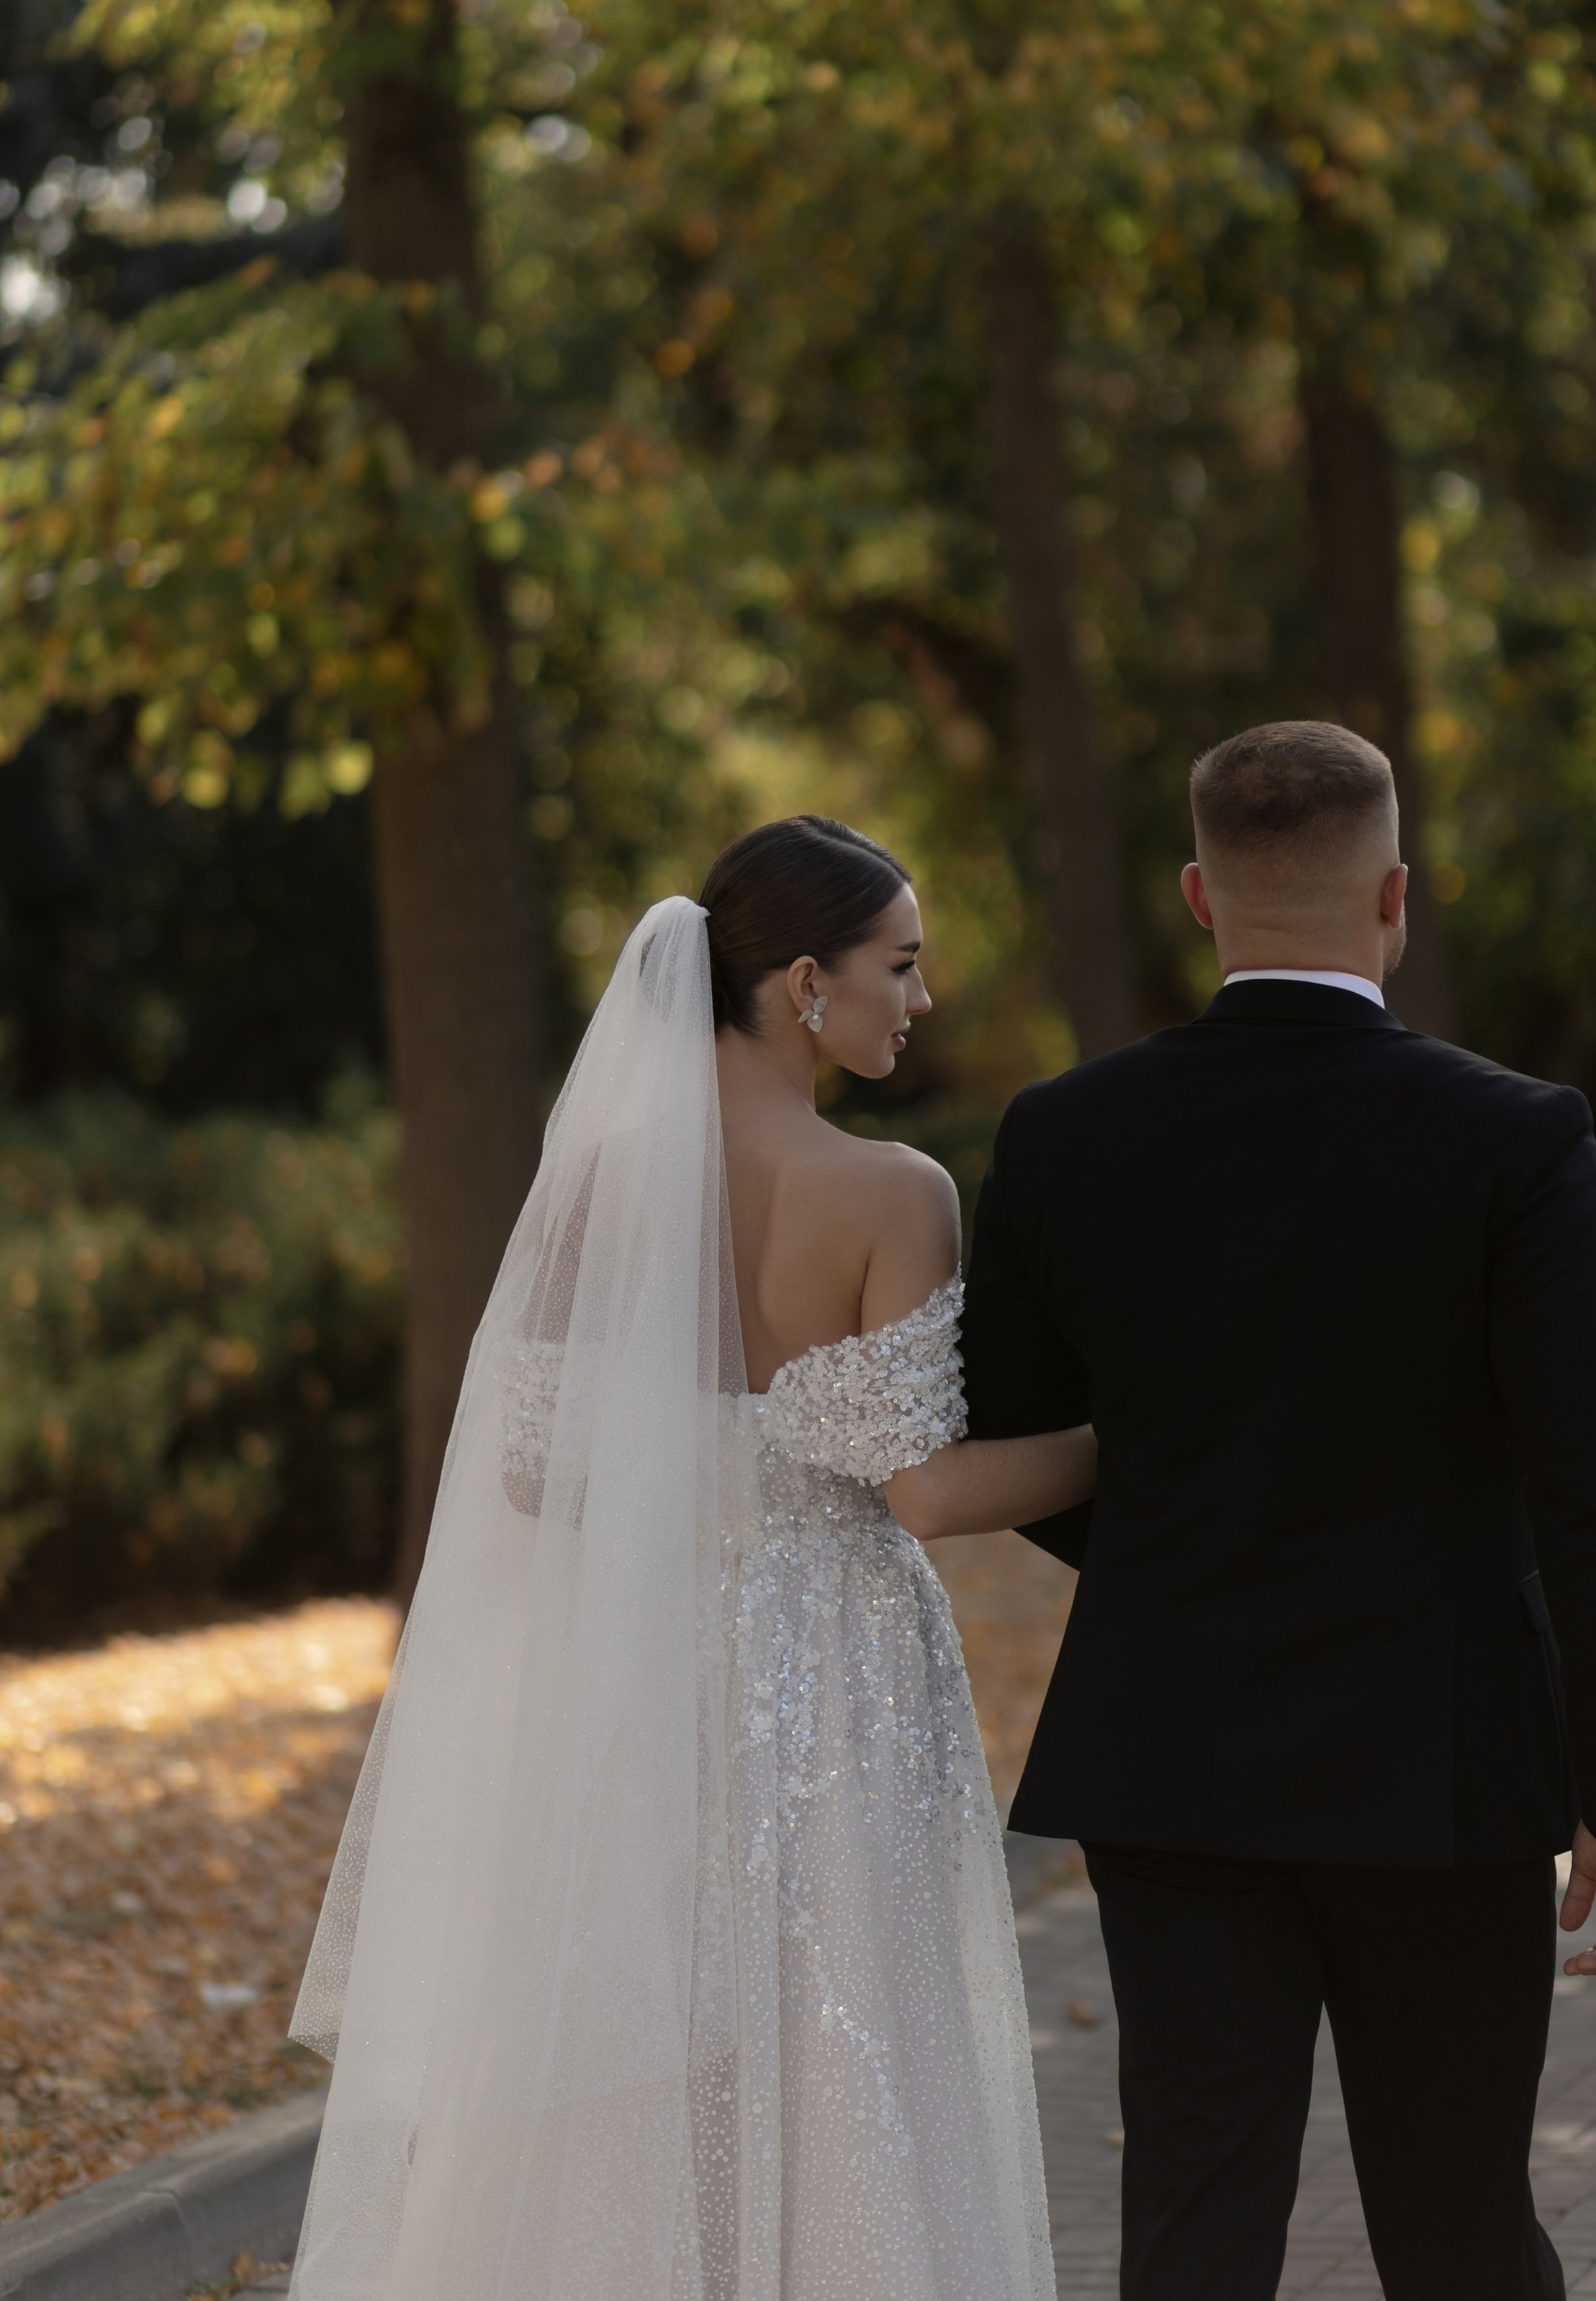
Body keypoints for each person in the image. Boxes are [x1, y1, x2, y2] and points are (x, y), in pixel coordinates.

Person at [287, 816, 1092, 2301]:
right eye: (900, 965)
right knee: (847, 2025)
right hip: (837, 1673)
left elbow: (530, 1472)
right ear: (804, 983)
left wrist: (701, 1476)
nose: (919, 999)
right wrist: (1124, 1445)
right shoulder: (894, 1191)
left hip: (646, 1652)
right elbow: (923, 1492)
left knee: (648, 2036)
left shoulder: (598, 1182)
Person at [960, 721, 1596, 2301]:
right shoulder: (1513, 1135)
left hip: (1172, 1756)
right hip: (1443, 1760)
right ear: (1394, 896)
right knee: (1458, 2227)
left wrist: (1177, 1540)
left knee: (1195, 2232)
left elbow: (1009, 1431)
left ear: (1198, 897)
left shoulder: (1064, 1130)